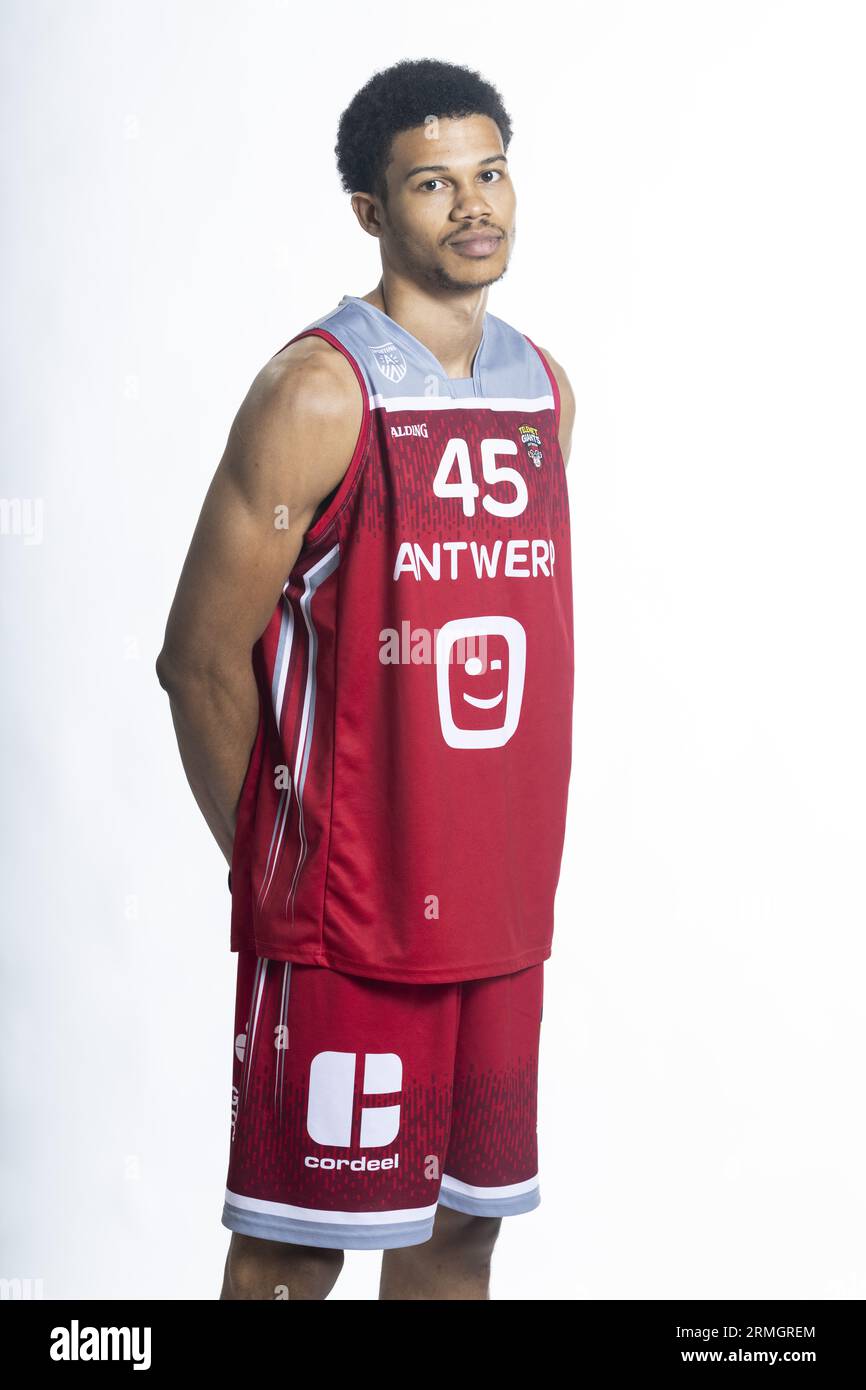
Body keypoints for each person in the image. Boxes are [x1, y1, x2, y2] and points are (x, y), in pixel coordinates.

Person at [157, 56, 575, 1301]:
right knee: (296, 1248)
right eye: (433, 184)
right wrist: (283, 867)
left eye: (488, 172)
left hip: (495, 904)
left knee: (462, 1234)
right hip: (347, 917)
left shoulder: (541, 390)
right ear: (370, 212)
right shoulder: (315, 389)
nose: (472, 206)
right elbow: (195, 658)